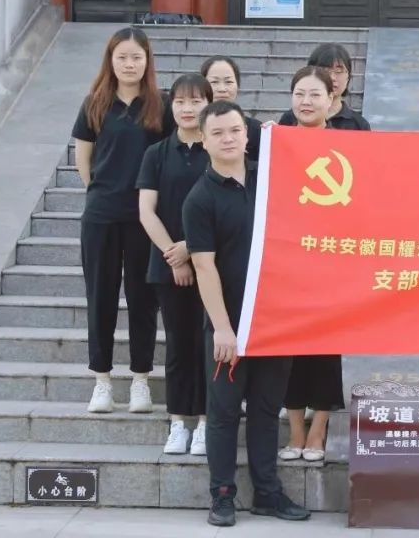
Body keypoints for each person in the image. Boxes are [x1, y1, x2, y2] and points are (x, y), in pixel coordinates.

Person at [183, 100, 310, 526]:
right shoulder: (199, 199)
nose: (228, 139)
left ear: (247, 134)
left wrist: (285, 139)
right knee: (222, 413)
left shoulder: (271, 179)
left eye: (235, 130)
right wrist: (222, 328)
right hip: (229, 325)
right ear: (203, 140)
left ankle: (268, 493)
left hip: (275, 321)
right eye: (218, 133)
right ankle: (222, 495)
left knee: (266, 409)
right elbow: (203, 267)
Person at [72, 27, 169, 414]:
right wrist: (101, 192)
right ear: (110, 61)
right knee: (101, 297)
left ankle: (141, 380)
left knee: (143, 300)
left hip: (146, 219)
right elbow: (84, 159)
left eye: (136, 57)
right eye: (122, 57)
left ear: (147, 61)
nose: (130, 64)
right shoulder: (95, 103)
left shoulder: (161, 105)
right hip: (102, 216)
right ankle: (102, 381)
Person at [278, 66, 352, 464]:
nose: (306, 102)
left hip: (332, 258)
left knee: (325, 346)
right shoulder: (274, 141)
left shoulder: (348, 145)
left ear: (331, 99)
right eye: (299, 94)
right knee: (289, 345)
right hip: (286, 259)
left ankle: (319, 427)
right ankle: (295, 429)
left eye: (314, 95)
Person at [137, 74, 212, 455]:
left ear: (209, 105)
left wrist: (192, 249)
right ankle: (178, 422)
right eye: (180, 101)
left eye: (196, 101)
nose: (187, 108)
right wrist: (174, 254)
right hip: (168, 266)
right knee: (179, 347)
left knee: (208, 346)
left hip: (213, 264)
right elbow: (146, 211)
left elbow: (227, 208)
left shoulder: (219, 150)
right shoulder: (157, 153)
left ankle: (206, 423)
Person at [277, 43, 371, 130]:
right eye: (325, 71)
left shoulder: (359, 125)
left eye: (338, 71)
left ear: (348, 76)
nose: (332, 77)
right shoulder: (290, 118)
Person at [200, 56, 262, 160]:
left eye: (228, 82)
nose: (222, 89)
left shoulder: (256, 130)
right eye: (214, 82)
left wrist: (274, 136)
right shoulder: (191, 127)